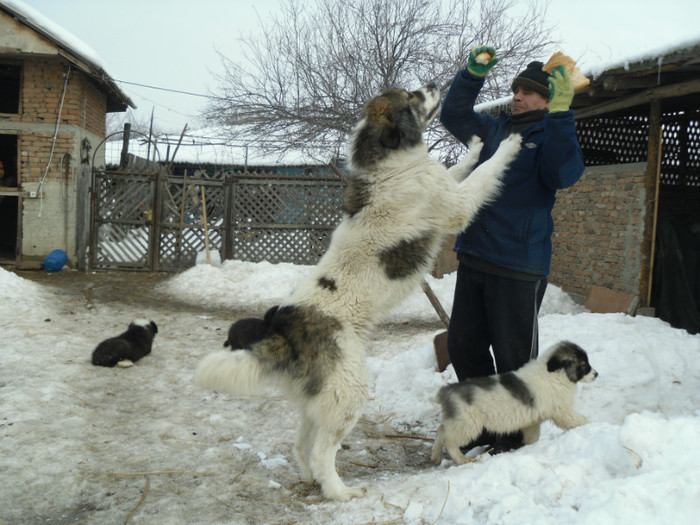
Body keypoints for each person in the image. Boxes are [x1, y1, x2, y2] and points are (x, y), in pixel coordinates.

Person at [440, 46, 585, 453]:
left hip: (518, 266)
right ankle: (486, 423)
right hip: (475, 257)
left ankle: (517, 436)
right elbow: (453, 116)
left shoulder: (551, 134)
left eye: (529, 92)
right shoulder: (495, 130)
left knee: (515, 360)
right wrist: (471, 76)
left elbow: (562, 174)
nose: (518, 96)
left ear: (547, 98)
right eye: (516, 89)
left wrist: (560, 115)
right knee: (464, 347)